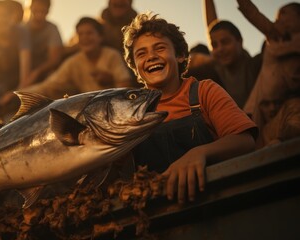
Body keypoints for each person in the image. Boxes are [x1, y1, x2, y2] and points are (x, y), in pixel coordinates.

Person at [122, 12, 257, 203]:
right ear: (136, 68)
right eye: (141, 53)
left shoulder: (204, 92)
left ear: (180, 55)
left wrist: (199, 153)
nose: (151, 57)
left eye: (159, 48)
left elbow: (245, 141)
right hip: (156, 212)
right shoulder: (129, 113)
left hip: (214, 200)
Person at [13, 17, 133, 100]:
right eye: (80, 34)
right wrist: (19, 94)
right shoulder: (73, 62)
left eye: (89, 33)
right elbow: (48, 85)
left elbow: (126, 88)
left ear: (100, 36)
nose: (85, 38)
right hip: (89, 114)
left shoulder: (111, 55)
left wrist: (111, 81)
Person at [238, 1, 300, 144]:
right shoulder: (276, 36)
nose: (278, 19)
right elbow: (253, 14)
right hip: (261, 108)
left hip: (287, 110)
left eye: (284, 13)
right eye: (276, 16)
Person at [187, 0, 260, 108]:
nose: (220, 49)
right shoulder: (216, 67)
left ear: (239, 41)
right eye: (214, 45)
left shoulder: (255, 65)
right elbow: (211, 26)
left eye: (225, 42)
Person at [23, 0, 63, 86]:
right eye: (36, 9)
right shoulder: (23, 28)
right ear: (30, 8)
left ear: (48, 11)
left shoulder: (52, 28)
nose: (39, 13)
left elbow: (54, 59)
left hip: (45, 73)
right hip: (22, 72)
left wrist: (37, 72)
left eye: (43, 10)